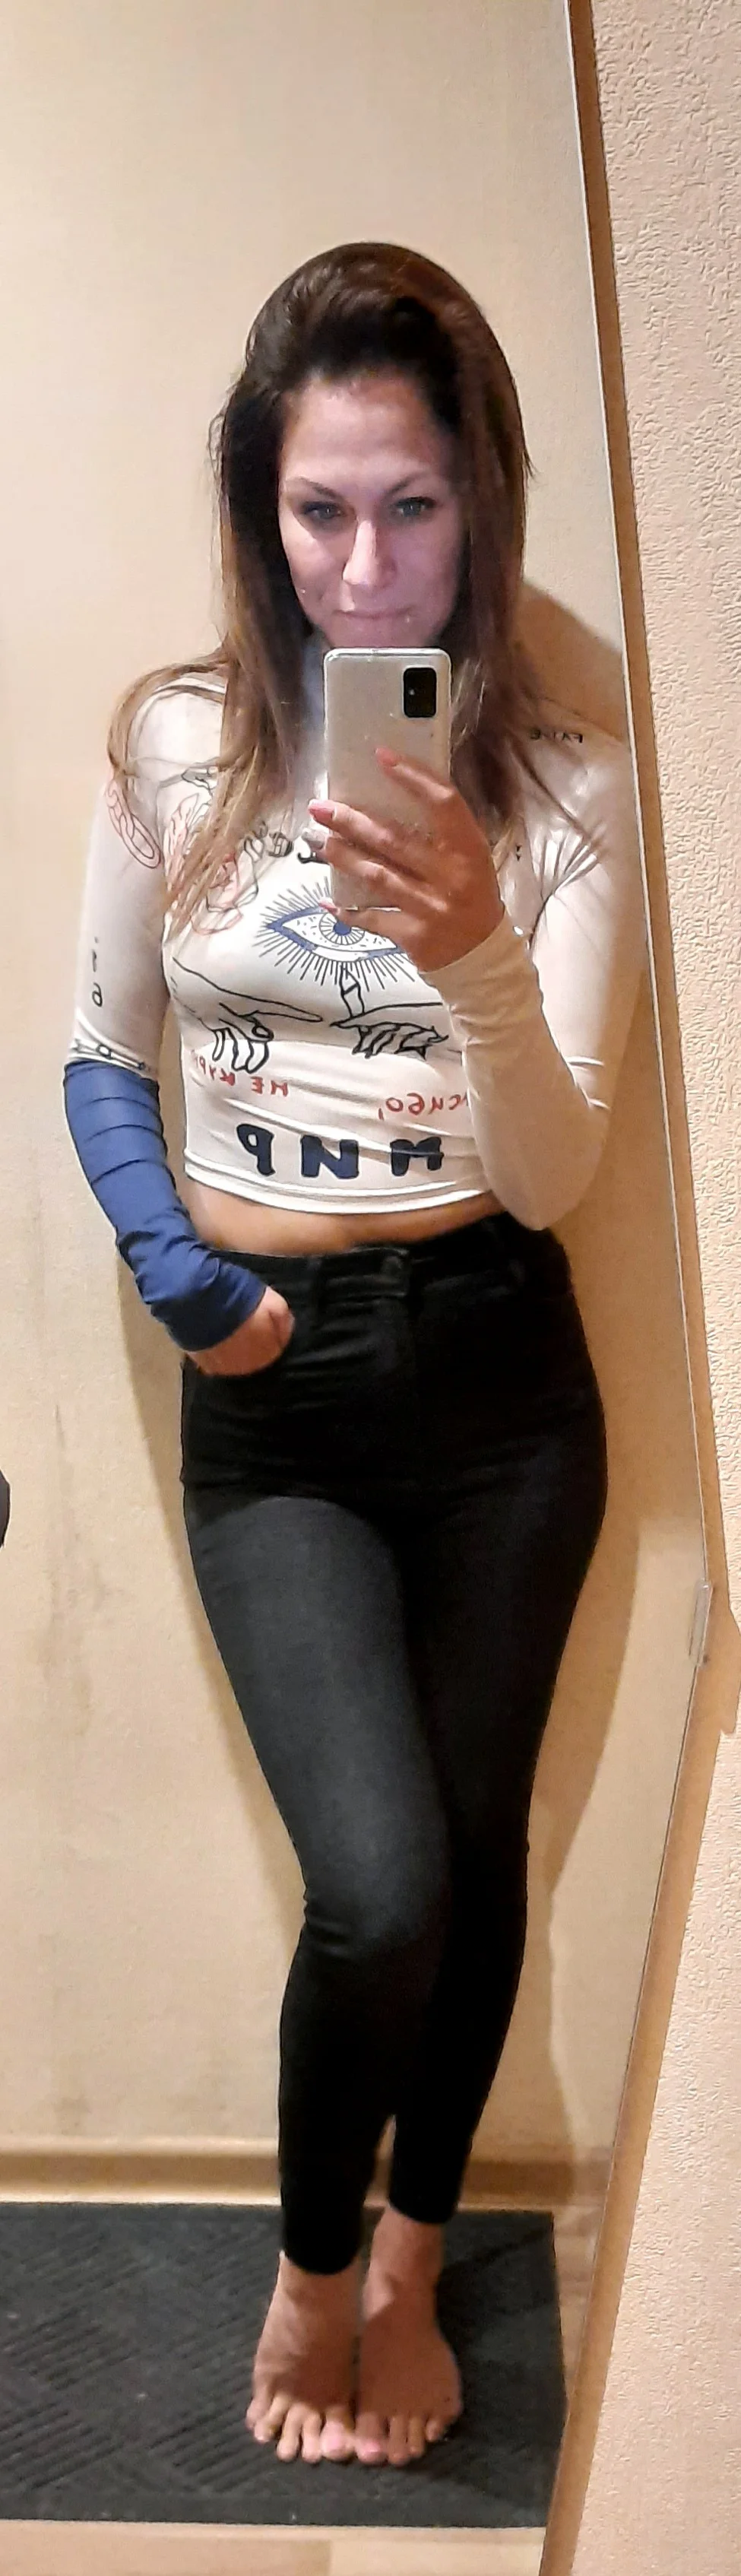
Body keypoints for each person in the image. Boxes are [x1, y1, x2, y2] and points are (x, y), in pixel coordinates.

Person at [65, 241, 644, 2472]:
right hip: (278, 1386)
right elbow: (100, 1054)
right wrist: (185, 1282)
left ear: (480, 502)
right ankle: (310, 2264)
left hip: (500, 1375)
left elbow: (557, 1172)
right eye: (321, 510)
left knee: (476, 1856)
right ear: (261, 506)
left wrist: (479, 948)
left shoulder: (567, 782)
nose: (368, 566)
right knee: (379, 1881)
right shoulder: (176, 742)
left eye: (414, 507)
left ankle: (409, 2258)